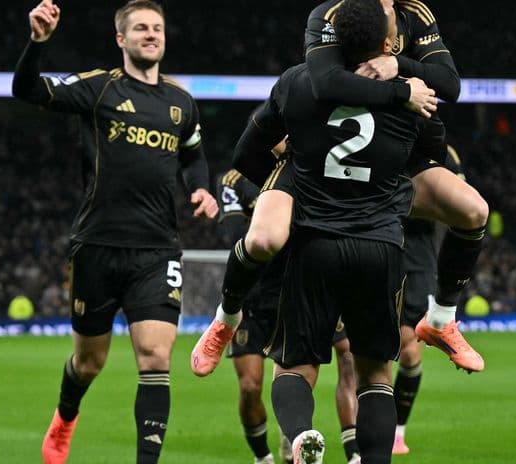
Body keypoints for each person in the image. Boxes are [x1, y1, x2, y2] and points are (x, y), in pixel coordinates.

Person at [192, 0, 486, 381]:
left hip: (389, 153)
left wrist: (399, 66)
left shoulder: (416, 13)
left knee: (473, 209)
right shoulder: (330, 14)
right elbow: (325, 81)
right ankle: (226, 319)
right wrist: (401, 92)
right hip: (318, 155)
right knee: (263, 238)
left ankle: (442, 319)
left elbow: (450, 85)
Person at [231, 1, 440, 461]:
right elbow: (431, 156)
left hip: (314, 245)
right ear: (388, 45)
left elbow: (245, 156)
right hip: (380, 246)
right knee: (375, 376)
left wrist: (290, 174)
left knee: (293, 367)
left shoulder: (298, 84)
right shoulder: (411, 95)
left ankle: (302, 433)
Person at [12, 1, 218, 463]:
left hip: (157, 250)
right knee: (90, 363)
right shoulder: (100, 88)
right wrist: (37, 44)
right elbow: (26, 90)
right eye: (141, 28)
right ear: (121, 39)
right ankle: (65, 417)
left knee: (155, 360)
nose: (151, 34)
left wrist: (202, 189)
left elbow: (194, 156)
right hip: (98, 246)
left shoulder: (181, 103)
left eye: (158, 28)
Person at [216, 164, 362, 464]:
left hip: (304, 290)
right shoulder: (236, 180)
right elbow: (236, 235)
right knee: (250, 385)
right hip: (255, 300)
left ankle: (349, 452)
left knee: (347, 356)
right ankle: (263, 457)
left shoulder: (310, 168)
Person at [392, 144, 463, 455]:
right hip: (376, 246)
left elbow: (456, 203)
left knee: (409, 354)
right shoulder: (379, 129)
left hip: (418, 258)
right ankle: (359, 437)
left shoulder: (444, 152)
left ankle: (396, 430)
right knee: (365, 354)